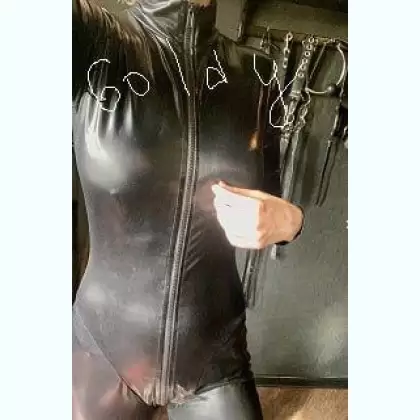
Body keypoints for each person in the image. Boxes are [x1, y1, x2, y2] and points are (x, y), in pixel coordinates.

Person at [72, 0, 304, 419]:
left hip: (213, 357)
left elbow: (270, 197)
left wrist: (291, 221)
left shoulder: (258, 73)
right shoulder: (94, 42)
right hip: (104, 349)